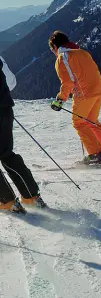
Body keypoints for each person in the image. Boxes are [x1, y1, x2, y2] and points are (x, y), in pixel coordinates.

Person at [48, 30, 101, 165]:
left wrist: (60, 99)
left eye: (51, 49)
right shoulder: (83, 52)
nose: (53, 52)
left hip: (84, 94)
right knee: (91, 121)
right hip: (99, 90)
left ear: (54, 46)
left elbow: (67, 82)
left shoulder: (62, 57)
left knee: (79, 122)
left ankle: (94, 154)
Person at [0, 56, 45, 213]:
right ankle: (31, 196)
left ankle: (6, 201)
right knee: (6, 154)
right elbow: (11, 83)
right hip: (5, 108)